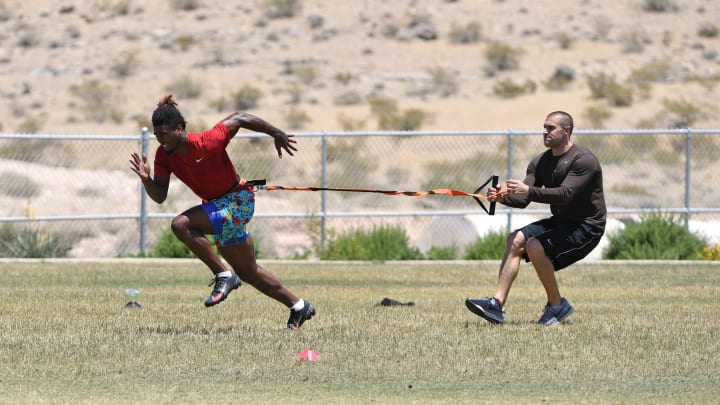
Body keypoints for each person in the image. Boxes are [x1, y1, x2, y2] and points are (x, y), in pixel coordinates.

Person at [129, 94, 315, 330]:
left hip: (238, 200)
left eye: (163, 134)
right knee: (249, 272)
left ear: (179, 128)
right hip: (220, 208)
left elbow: (240, 117)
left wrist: (276, 133)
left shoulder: (208, 141)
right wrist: (146, 180)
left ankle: (223, 276)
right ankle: (299, 306)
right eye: (156, 135)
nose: (160, 140)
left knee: (181, 224)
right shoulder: (163, 156)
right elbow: (160, 196)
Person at [465, 111, 606, 325]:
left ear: (566, 131)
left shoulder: (584, 160)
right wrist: (501, 197)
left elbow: (565, 195)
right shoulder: (540, 162)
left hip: (587, 227)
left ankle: (557, 307)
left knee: (534, 245)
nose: (545, 132)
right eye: (544, 127)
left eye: (551, 128)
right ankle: (497, 305)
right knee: (515, 239)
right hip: (561, 221)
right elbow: (523, 199)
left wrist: (528, 191)